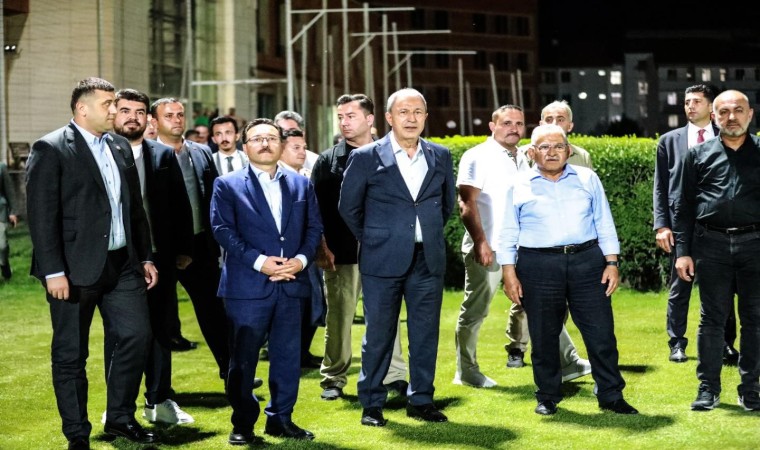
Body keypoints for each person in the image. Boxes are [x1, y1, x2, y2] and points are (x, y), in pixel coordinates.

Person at [26, 77, 158, 448]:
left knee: (136, 336)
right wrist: (54, 271)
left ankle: (119, 418)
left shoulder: (119, 145)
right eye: (108, 104)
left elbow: (134, 209)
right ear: (82, 109)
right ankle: (77, 434)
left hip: (123, 265)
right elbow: (41, 216)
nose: (115, 110)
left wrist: (145, 256)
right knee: (71, 354)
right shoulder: (51, 148)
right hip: (73, 270)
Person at [498, 124, 637, 416]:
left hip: (588, 262)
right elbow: (508, 232)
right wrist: (508, 273)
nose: (552, 152)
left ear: (569, 150)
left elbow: (604, 222)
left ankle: (611, 395)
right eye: (544, 147)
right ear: (532, 152)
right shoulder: (517, 184)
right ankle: (547, 395)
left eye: (558, 146)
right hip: (537, 265)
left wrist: (612, 263)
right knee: (543, 335)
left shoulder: (587, 178)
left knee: (601, 333)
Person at [339, 88, 456, 426]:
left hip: (427, 260)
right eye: (403, 112)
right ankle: (372, 404)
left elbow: (446, 204)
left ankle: (421, 401)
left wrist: (422, 234)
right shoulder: (365, 157)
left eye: (418, 112)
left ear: (425, 117)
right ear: (389, 118)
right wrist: (376, 238)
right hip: (381, 260)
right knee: (378, 334)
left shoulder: (440, 155)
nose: (411, 118)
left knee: (425, 334)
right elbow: (348, 207)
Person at [211, 118, 322, 444]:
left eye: (271, 138)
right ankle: (243, 424)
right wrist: (262, 263)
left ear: (281, 145)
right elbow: (222, 230)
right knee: (243, 361)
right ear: (245, 146)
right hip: (247, 287)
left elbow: (314, 228)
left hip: (291, 282)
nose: (264, 143)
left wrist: (300, 261)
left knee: (288, 358)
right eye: (257, 138)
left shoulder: (301, 184)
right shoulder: (227, 184)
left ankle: (281, 420)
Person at [312, 93, 409, 401]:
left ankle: (394, 376)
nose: (344, 122)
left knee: (387, 317)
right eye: (340, 117)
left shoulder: (392, 155)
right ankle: (333, 378)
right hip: (341, 254)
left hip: (385, 253)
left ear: (369, 119)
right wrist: (321, 247)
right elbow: (314, 209)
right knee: (339, 318)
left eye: (350, 116)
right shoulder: (328, 160)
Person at [111, 88, 195, 425]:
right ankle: (119, 407)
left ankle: (159, 401)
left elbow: (180, 204)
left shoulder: (162, 155)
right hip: (117, 258)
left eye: (139, 112)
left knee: (162, 329)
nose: (133, 117)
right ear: (114, 113)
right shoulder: (102, 151)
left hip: (160, 256)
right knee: (122, 335)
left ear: (148, 118)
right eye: (125, 110)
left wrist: (184, 249)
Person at [673, 89, 760, 412]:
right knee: (711, 320)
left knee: (755, 320)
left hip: (755, 245)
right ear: (714, 117)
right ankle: (708, 389)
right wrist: (683, 252)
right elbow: (683, 206)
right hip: (711, 245)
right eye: (723, 112)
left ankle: (750, 389)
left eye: (738, 110)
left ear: (750, 114)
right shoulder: (697, 155)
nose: (731, 117)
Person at [507, 101, 594, 376]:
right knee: (524, 301)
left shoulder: (582, 157)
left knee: (560, 306)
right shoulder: (526, 154)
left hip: (570, 247)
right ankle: (517, 347)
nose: (554, 122)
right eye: (548, 118)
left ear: (570, 125)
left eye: (560, 118)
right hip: (534, 245)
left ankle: (558, 359)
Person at [653, 84, 738, 364]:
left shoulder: (727, 138)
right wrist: (662, 225)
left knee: (723, 288)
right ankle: (677, 343)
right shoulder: (669, 141)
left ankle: (725, 344)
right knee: (680, 287)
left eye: (697, 101)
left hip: (718, 226)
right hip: (681, 226)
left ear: (711, 107)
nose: (690, 106)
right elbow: (660, 186)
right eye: (687, 101)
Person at [152, 98, 230, 381]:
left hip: (201, 245)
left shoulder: (200, 152)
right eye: (169, 115)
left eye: (180, 114)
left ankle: (232, 374)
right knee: (160, 319)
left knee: (215, 312)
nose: (177, 119)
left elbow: (214, 197)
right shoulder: (148, 155)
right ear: (155, 121)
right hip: (162, 249)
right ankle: (159, 390)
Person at [279, 127, 326, 369]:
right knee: (298, 307)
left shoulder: (307, 176)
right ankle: (292, 356)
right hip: (290, 255)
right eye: (296, 147)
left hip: (310, 251)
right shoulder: (279, 178)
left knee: (313, 305)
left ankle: (302, 353)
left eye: (304, 147)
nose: (302, 152)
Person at [0, 162, 18, 280]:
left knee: (2, 245)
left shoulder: (1, 167)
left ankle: (4, 264)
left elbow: (10, 191)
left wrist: (13, 212)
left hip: (0, 212)